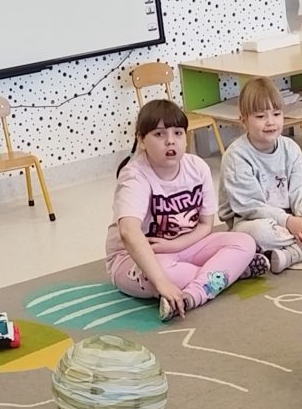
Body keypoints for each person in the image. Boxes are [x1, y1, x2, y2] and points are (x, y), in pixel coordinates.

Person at [109, 98, 266, 321]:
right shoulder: (134, 176)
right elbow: (128, 232)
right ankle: (229, 273)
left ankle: (192, 295)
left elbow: (206, 225)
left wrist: (174, 245)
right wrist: (162, 282)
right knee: (163, 274)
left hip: (186, 245)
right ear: (141, 140)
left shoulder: (197, 167)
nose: (170, 141)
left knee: (244, 242)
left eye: (178, 133)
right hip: (138, 258)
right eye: (159, 134)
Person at [220, 78, 302, 273]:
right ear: (244, 120)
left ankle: (293, 253)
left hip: (294, 217)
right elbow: (251, 207)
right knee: (261, 234)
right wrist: (289, 222)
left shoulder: (290, 148)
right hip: (251, 221)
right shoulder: (236, 156)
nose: (270, 122)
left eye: (276, 114)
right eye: (260, 116)